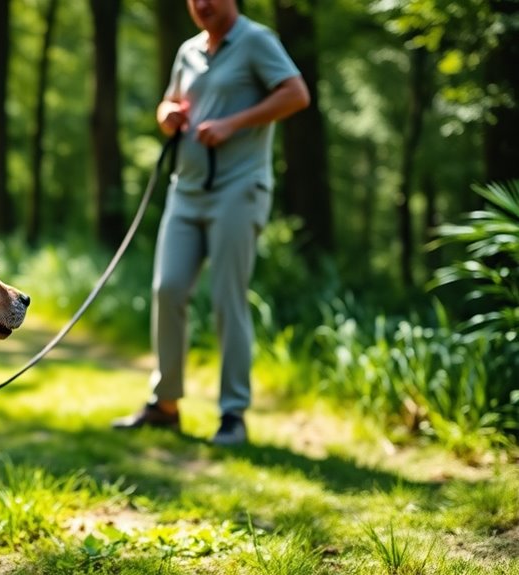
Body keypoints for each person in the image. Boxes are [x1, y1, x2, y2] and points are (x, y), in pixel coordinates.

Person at [112, 0, 309, 444]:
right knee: (168, 289)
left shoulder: (257, 41)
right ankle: (165, 405)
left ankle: (233, 414)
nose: (202, 4)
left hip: (239, 189)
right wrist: (167, 116)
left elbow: (297, 94)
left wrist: (233, 124)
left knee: (227, 297)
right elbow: (171, 103)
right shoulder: (189, 51)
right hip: (187, 190)